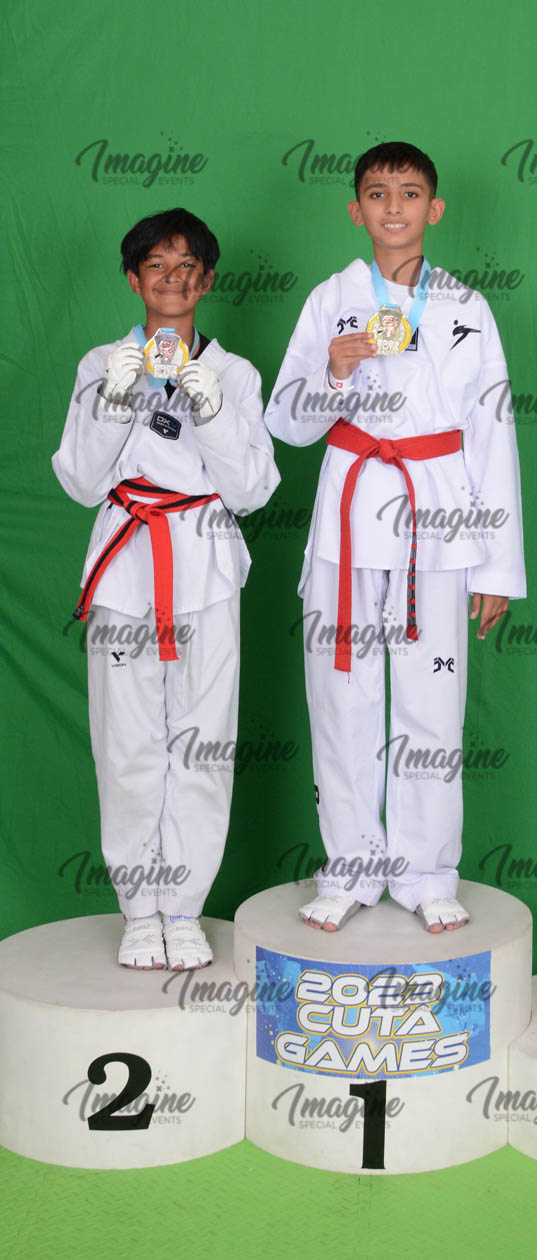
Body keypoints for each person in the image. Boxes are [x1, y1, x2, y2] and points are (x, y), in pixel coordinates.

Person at [265, 141, 526, 934]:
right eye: (377, 193)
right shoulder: (331, 300)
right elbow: (286, 421)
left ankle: (426, 871)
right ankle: (350, 869)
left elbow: (492, 436)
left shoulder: (468, 308)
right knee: (340, 698)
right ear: (356, 209)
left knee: (432, 701)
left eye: (410, 193)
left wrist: (498, 567)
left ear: (433, 209)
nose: (393, 206)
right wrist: (334, 375)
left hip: (439, 521)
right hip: (349, 518)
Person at [52, 208, 279, 970]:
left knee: (202, 746)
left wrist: (209, 407)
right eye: (157, 266)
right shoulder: (99, 364)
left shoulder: (236, 375)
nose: (172, 280)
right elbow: (81, 479)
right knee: (128, 747)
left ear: (206, 281)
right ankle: (137, 910)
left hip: (205, 566)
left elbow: (251, 491)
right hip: (126, 569)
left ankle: (182, 909)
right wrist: (116, 398)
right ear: (133, 278)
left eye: (187, 268)